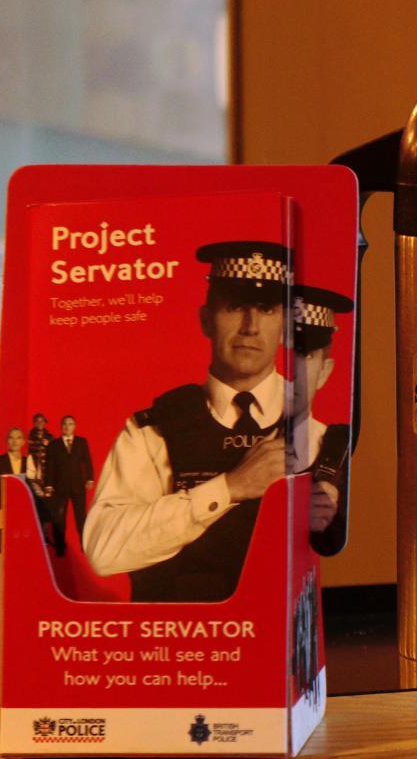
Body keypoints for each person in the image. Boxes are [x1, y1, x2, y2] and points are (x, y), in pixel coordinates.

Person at [82, 241, 291, 602]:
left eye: (267, 309)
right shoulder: (153, 430)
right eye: (235, 307)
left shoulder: (311, 423)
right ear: (206, 320)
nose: (250, 327)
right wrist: (230, 488)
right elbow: (103, 550)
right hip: (183, 631)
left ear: (286, 327)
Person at [290, 284, 354, 552]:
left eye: (304, 354)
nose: (290, 368)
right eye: (280, 350)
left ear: (324, 372)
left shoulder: (340, 449)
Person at [43, 415, 94, 556]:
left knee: (81, 518)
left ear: (75, 426)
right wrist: (48, 485)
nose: (67, 426)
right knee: (59, 519)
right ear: (61, 427)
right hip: (60, 488)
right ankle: (60, 549)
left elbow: (87, 461)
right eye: (65, 424)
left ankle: (85, 546)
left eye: (70, 424)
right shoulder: (54, 445)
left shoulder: (82, 442)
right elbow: (49, 466)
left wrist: (90, 479)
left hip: (78, 487)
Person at [0, 427, 43, 552]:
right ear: (7, 441)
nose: (14, 441)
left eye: (18, 438)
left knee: (22, 548)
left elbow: (34, 490)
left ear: (23, 442)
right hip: (4, 512)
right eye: (11, 438)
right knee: (5, 548)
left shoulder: (29, 462)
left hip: (23, 514)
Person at [26, 412, 54, 486]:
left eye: (42, 421)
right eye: (37, 421)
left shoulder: (50, 437)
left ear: (45, 422)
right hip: (33, 468)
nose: (40, 423)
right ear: (34, 423)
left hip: (47, 469)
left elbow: (54, 454)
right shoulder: (29, 437)